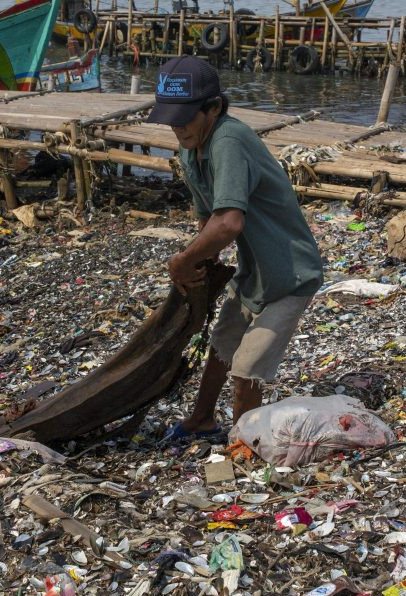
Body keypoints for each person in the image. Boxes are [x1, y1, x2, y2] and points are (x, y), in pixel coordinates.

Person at [146, 56, 324, 440]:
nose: (178, 128)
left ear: (213, 108)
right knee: (222, 345)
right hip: (253, 273)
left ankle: (245, 443)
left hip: (290, 274)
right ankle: (202, 419)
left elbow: (229, 222)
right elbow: (208, 221)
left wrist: (181, 261)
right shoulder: (191, 150)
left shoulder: (228, 139)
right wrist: (199, 275)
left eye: (186, 118)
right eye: (171, 120)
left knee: (246, 369)